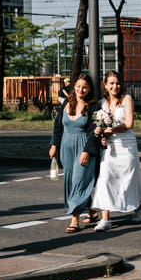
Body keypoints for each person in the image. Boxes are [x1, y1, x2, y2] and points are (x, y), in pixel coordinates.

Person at [91, 71, 141, 231]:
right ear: (105, 85)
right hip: (110, 147)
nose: (115, 86)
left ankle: (137, 208)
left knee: (130, 179)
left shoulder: (127, 99)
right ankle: (105, 218)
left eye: (117, 83)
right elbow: (99, 126)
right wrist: (101, 134)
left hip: (127, 145)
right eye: (111, 83)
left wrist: (112, 130)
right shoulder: (101, 103)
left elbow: (129, 123)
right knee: (105, 179)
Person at [49, 74, 100, 233]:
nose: (81, 89)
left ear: (89, 88)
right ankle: (91, 212)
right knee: (72, 181)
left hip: (83, 147)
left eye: (84, 87)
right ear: (74, 87)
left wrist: (87, 150)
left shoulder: (93, 106)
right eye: (78, 86)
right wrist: (54, 145)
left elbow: (94, 132)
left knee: (78, 182)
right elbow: (58, 126)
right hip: (66, 147)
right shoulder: (66, 103)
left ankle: (74, 219)